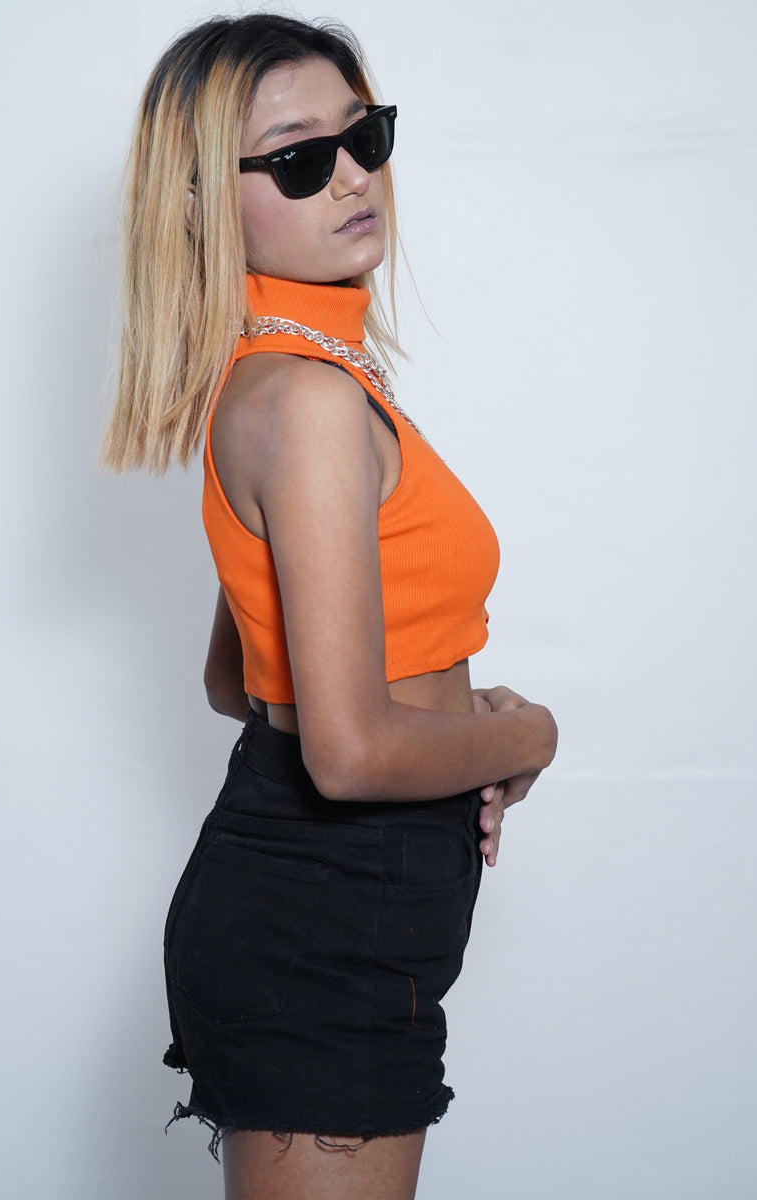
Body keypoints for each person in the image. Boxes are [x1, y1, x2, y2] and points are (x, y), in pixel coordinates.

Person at [101, 13, 558, 1200]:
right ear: (202, 202)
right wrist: (526, 733)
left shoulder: (302, 377)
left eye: (367, 136)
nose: (353, 176)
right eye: (302, 158)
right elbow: (347, 756)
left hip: (347, 896)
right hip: (329, 905)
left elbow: (237, 677)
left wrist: (452, 734)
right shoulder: (304, 400)